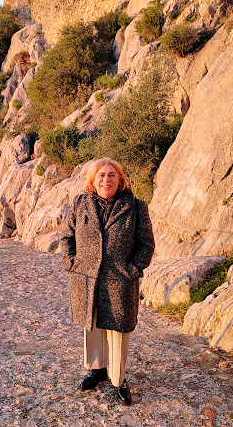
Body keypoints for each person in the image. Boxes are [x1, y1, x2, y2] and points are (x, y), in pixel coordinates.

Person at [60, 158, 155, 405]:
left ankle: (118, 379)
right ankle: (97, 369)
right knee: (91, 325)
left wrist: (132, 270)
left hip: (119, 280)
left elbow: (146, 245)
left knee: (118, 330)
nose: (106, 180)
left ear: (120, 180)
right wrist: (70, 262)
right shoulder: (80, 203)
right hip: (86, 277)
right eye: (101, 175)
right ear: (93, 180)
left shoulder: (136, 207)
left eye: (112, 175)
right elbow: (67, 236)